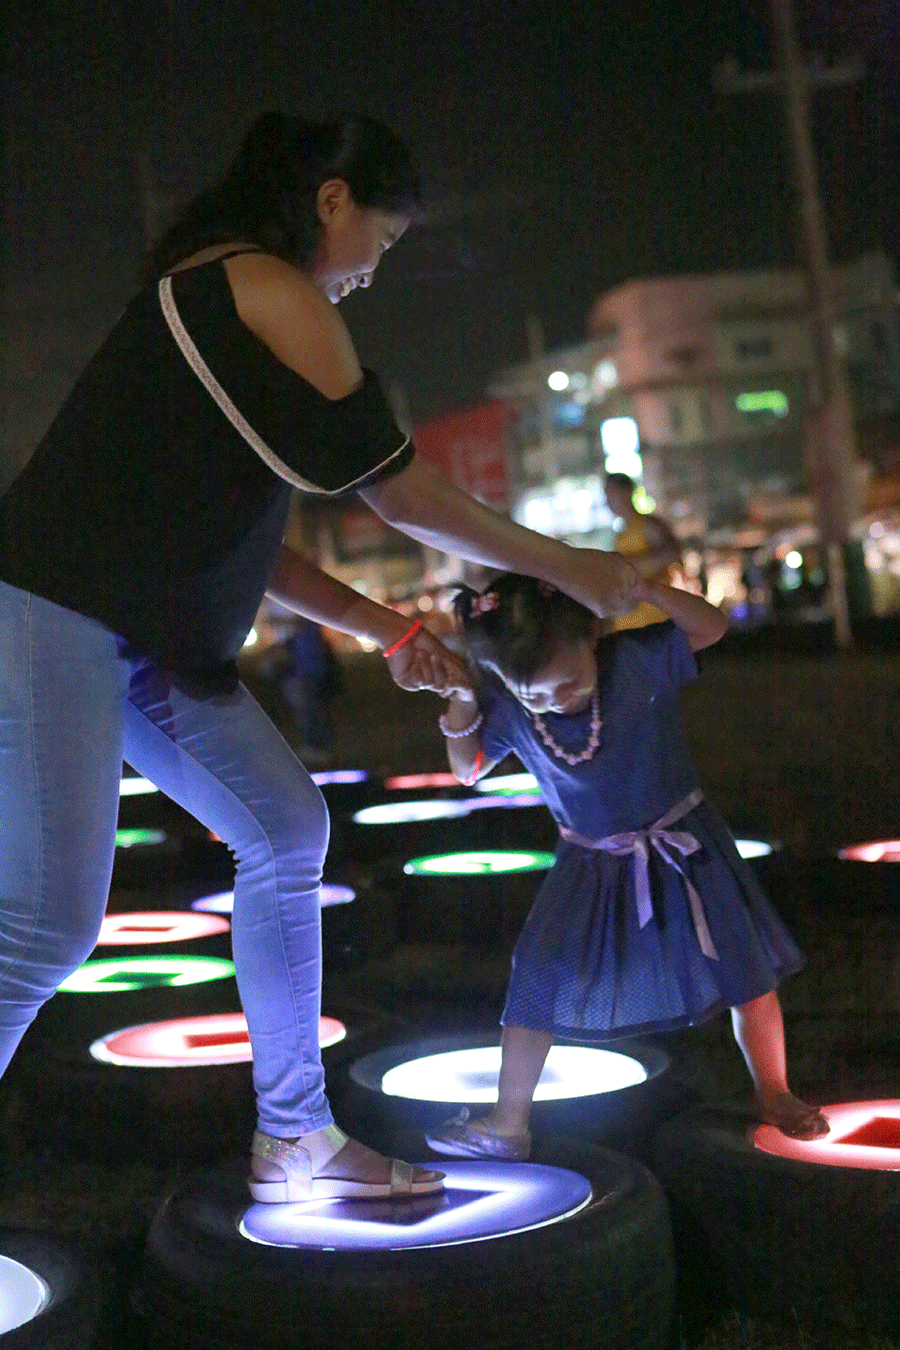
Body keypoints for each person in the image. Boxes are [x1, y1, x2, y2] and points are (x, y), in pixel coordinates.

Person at [0, 111, 640, 1205]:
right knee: (46, 927)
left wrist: (385, 628)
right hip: (48, 608)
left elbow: (256, 548)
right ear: (330, 200)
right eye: (381, 244)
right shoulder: (263, 287)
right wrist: (576, 570)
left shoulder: (231, 303)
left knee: (289, 827)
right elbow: (397, 491)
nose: (372, 276)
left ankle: (295, 1138)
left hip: (132, 634)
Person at [426, 570, 829, 1161]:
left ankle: (775, 1090)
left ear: (592, 634)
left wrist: (642, 588)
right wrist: (463, 697)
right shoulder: (515, 706)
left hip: (683, 844)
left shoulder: (636, 662)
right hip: (589, 861)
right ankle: (509, 1120)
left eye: (563, 684)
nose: (551, 701)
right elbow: (467, 768)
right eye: (531, 692)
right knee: (537, 967)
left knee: (745, 967)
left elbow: (710, 626)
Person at [604, 472, 683, 629]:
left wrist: (631, 568)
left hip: (654, 621)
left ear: (627, 492)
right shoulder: (621, 535)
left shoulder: (648, 525)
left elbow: (672, 554)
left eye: (611, 494)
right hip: (630, 627)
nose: (608, 502)